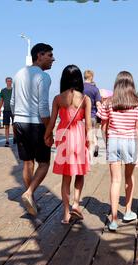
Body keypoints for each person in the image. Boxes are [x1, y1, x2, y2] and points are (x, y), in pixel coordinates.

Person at [97, 71, 138, 232]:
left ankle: (113, 219)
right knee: (128, 178)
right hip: (131, 142)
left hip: (114, 141)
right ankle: (128, 212)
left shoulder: (109, 103)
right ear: (131, 84)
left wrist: (107, 141)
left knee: (115, 181)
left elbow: (103, 125)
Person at [11, 43, 55, 221]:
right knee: (44, 163)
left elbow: (13, 101)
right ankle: (29, 193)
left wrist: (15, 122)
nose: (53, 59)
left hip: (19, 122)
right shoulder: (43, 77)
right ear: (39, 55)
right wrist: (49, 130)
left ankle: (32, 201)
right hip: (36, 124)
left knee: (27, 163)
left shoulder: (19, 74)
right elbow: (43, 106)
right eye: (50, 55)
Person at [44, 65, 92, 224]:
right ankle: (76, 204)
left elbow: (52, 121)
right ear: (79, 79)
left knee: (66, 176)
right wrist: (90, 142)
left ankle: (66, 213)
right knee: (79, 172)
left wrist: (47, 135)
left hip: (63, 135)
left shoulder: (58, 98)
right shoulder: (85, 99)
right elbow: (89, 125)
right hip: (78, 135)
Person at [83, 70, 102, 157]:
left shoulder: (79, 88)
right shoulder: (95, 89)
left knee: (83, 136)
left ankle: (85, 154)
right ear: (92, 77)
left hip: (82, 117)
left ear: (84, 76)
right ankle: (94, 148)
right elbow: (98, 104)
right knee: (93, 134)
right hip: (93, 115)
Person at [0, 77, 14, 147]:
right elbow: (1, 101)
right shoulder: (3, 91)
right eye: (8, 81)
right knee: (6, 126)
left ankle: (15, 137)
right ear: (6, 82)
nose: (9, 82)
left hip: (14, 110)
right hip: (6, 110)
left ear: (12, 82)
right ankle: (7, 141)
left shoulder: (14, 91)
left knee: (15, 126)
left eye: (10, 81)